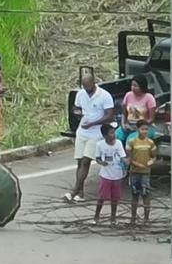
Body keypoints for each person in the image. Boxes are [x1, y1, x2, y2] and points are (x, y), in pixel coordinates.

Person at [66, 74, 115, 203]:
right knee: (79, 161)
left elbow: (109, 116)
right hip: (83, 131)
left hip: (96, 132)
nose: (87, 90)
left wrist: (93, 123)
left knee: (86, 160)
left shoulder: (104, 95)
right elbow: (77, 108)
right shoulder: (80, 94)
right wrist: (78, 114)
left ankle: (74, 190)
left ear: (94, 83)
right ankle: (80, 193)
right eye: (84, 87)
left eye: (89, 87)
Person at [124, 120, 157, 224]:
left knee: (146, 194)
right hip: (134, 171)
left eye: (146, 129)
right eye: (142, 129)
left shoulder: (150, 143)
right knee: (135, 194)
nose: (144, 131)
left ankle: (146, 218)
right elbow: (128, 158)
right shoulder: (132, 142)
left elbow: (154, 156)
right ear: (137, 129)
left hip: (146, 172)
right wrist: (136, 164)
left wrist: (151, 161)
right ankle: (133, 217)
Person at [93, 131, 128, 226]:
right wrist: (101, 163)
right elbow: (97, 158)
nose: (113, 135)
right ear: (105, 135)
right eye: (111, 133)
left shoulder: (119, 143)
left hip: (117, 174)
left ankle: (113, 218)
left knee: (115, 198)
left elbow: (123, 157)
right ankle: (96, 216)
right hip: (106, 175)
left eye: (113, 132)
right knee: (102, 197)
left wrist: (127, 163)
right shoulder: (100, 144)